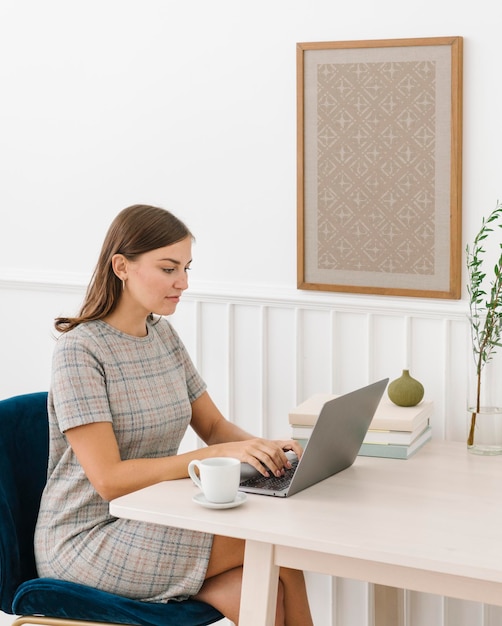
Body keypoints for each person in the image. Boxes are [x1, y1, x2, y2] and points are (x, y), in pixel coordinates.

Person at [34, 204, 314, 626]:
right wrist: (208, 458)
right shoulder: (80, 350)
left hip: (153, 517)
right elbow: (108, 480)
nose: (182, 282)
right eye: (168, 269)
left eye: (185, 268)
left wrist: (264, 448)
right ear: (121, 266)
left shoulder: (161, 333)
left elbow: (214, 427)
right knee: (276, 544)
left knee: (268, 592)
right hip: (88, 537)